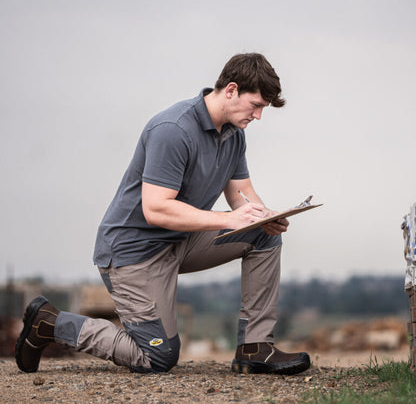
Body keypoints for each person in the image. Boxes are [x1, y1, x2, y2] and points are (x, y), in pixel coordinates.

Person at [15, 53, 310, 375]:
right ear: (231, 90)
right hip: (134, 253)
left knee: (262, 236)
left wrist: (265, 216)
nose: (258, 116)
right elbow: (155, 209)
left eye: (263, 109)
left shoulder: (233, 135)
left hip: (181, 241)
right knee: (157, 357)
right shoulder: (173, 129)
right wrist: (229, 219)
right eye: (255, 105)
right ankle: (51, 324)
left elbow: (242, 195)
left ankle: (255, 348)